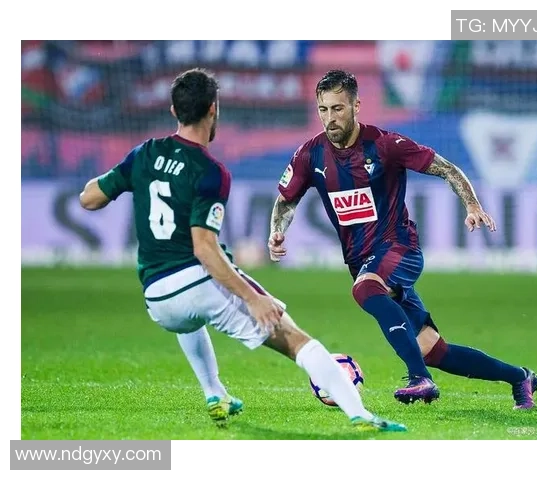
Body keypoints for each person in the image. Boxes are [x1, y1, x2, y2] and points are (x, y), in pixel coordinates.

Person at [78, 67, 406, 432]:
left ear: (173, 110)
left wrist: (131, 175)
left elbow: (89, 199)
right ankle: (362, 416)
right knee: (295, 340)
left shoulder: (144, 154)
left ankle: (214, 393)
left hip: (157, 299)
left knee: (189, 319)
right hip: (196, 284)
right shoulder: (209, 171)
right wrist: (253, 298)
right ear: (213, 109)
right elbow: (204, 248)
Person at [268, 69, 537, 410]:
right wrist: (277, 230)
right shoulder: (310, 154)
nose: (330, 118)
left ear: (356, 106)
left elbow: (447, 168)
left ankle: (419, 379)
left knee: (366, 289)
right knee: (433, 349)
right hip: (362, 261)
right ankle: (520, 377)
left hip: (399, 249)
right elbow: (287, 199)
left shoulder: (386, 145)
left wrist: (472, 205)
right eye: (323, 109)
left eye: (338, 108)